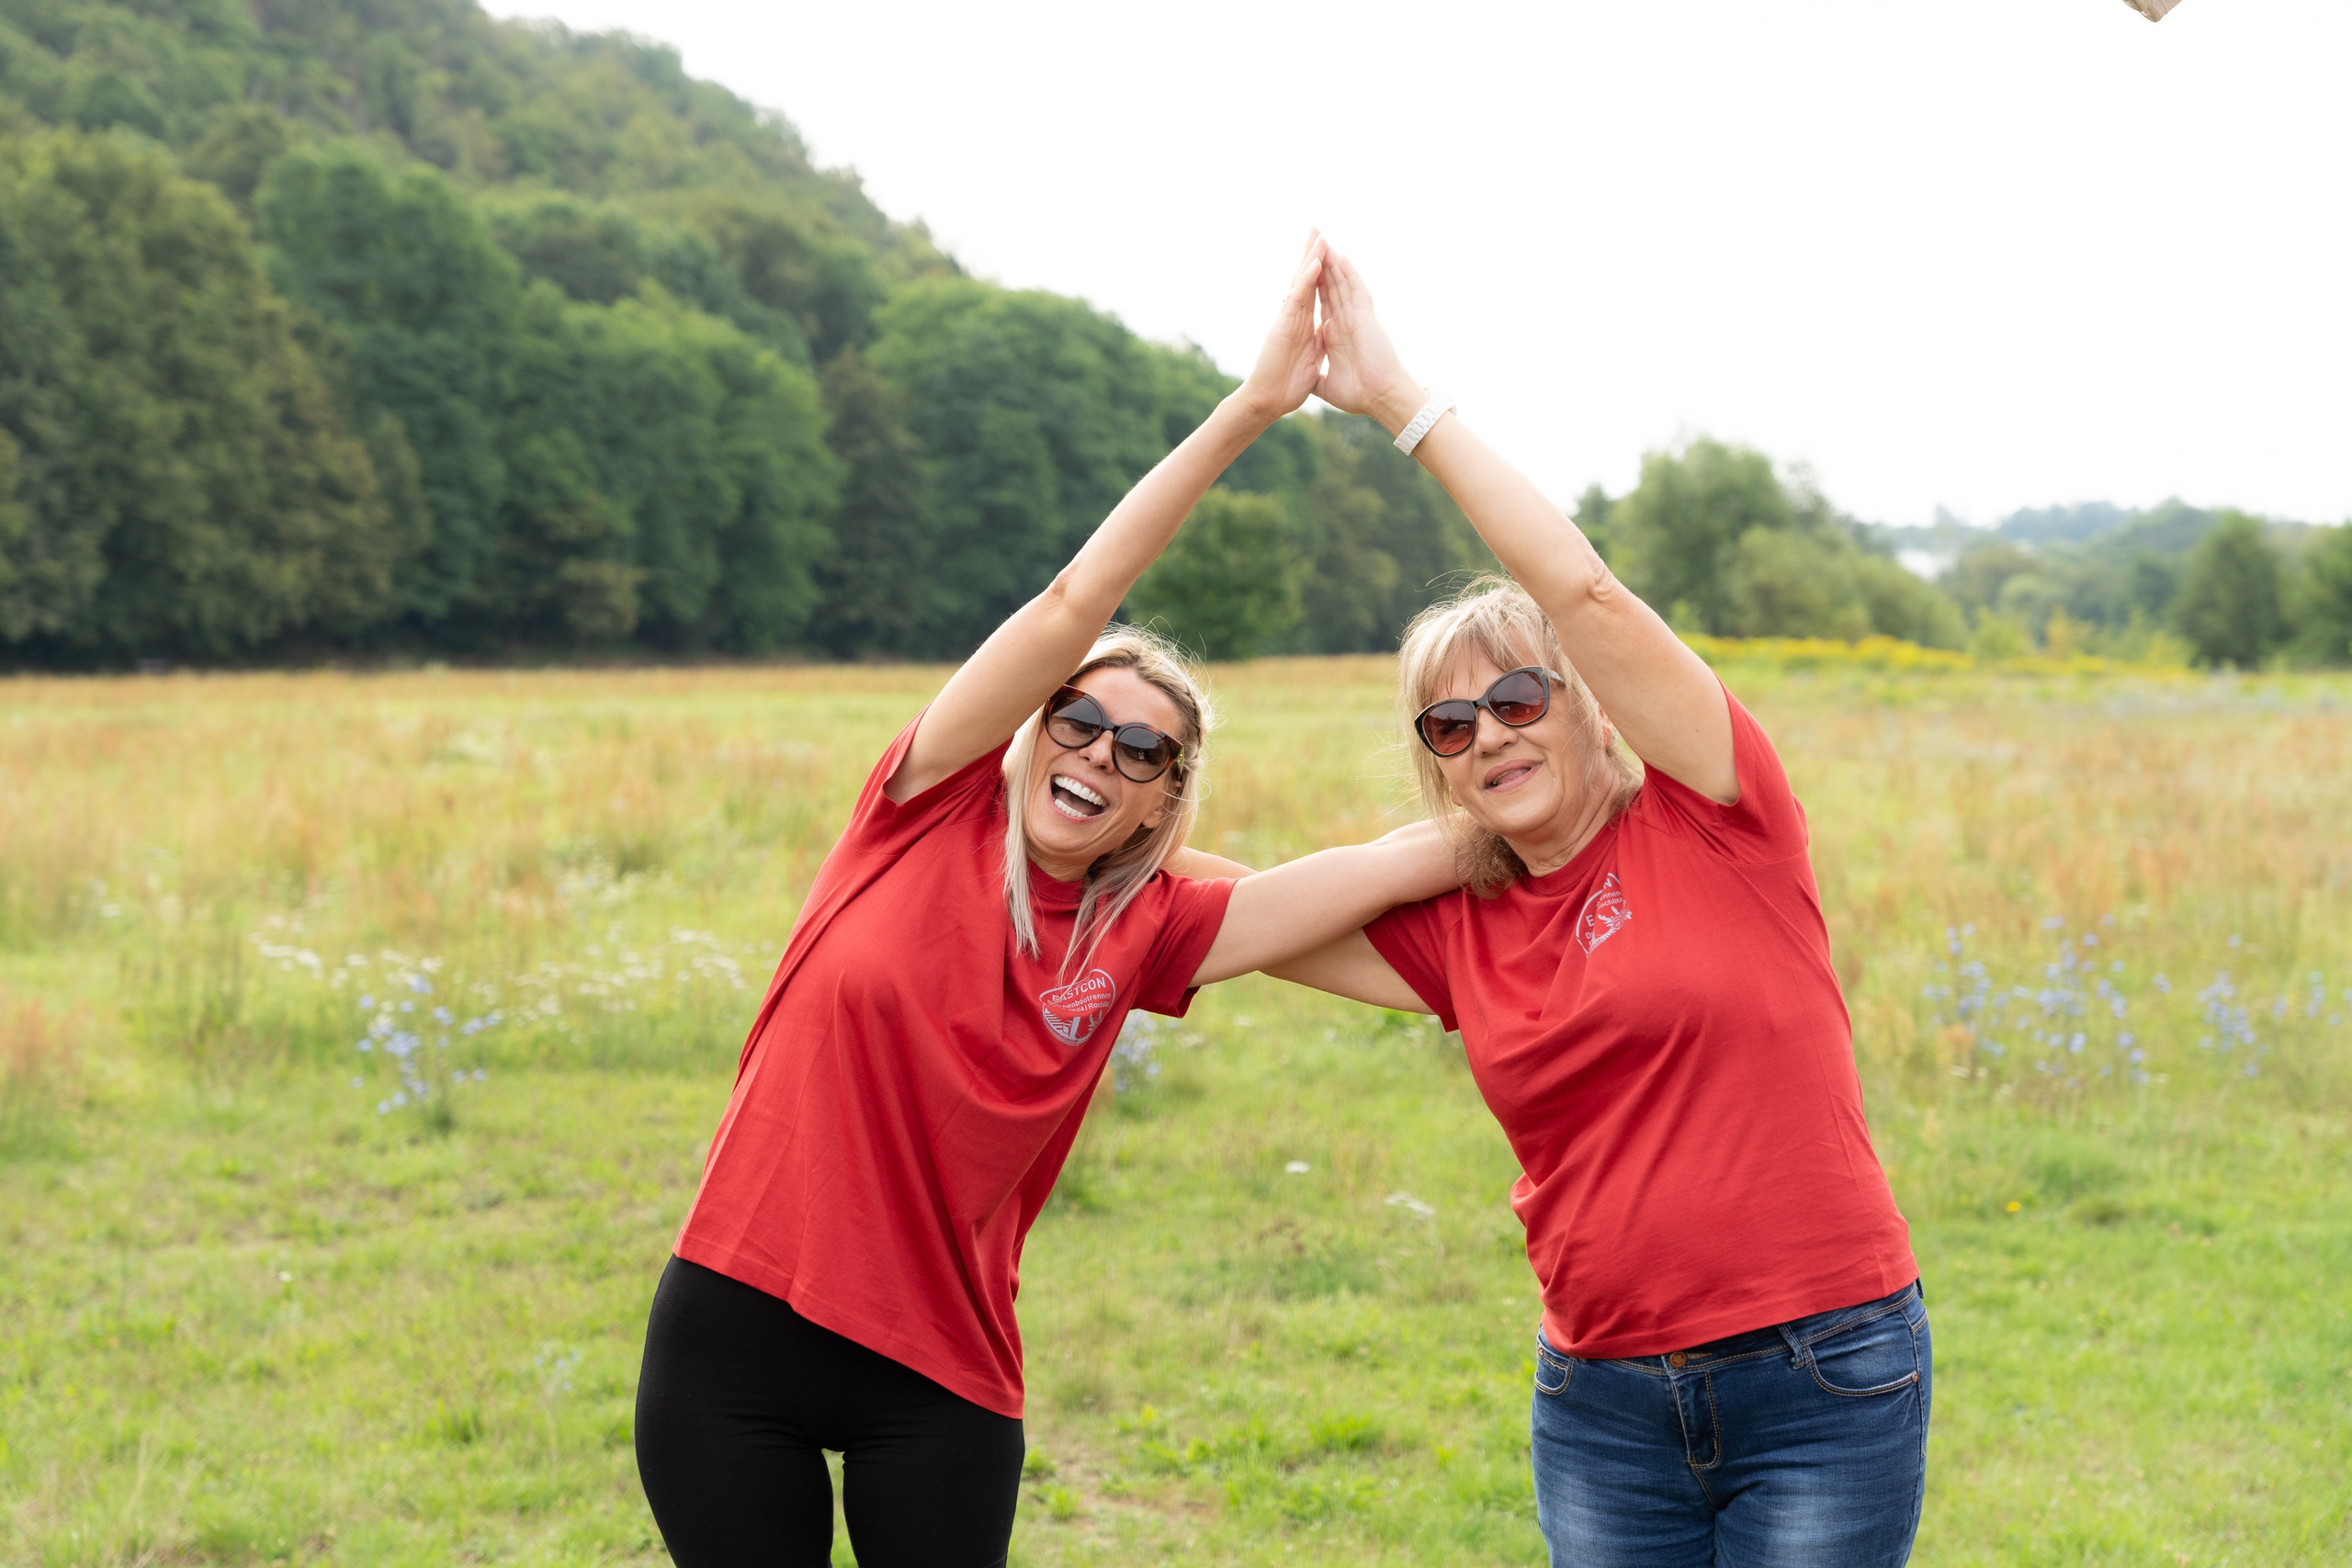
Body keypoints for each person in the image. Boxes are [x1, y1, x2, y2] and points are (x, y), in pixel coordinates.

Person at [631, 236, 1462, 1568]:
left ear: (1162, 804)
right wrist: (1249, 409)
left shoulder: (1150, 924)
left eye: (1144, 754)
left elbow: (1374, 893)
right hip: (740, 1329)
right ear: (1036, 726)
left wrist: (1521, 823)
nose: (1098, 755)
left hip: (942, 1370)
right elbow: (1080, 598)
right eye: (1081, 720)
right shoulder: (920, 809)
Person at [1254, 254, 1929, 1566]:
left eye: (1517, 699)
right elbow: (1233, 915)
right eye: (1449, 725)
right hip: (1601, 1406)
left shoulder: (1715, 811)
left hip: (1823, 1372)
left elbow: (1585, 593)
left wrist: (1399, 400)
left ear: (1583, 702)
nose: (1489, 733)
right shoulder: (1462, 925)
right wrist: (1423, 853)